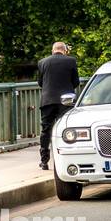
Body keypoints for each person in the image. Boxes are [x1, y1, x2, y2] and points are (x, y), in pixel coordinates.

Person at [37, 40, 80, 170]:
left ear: (53, 50)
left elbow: (40, 83)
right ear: (64, 50)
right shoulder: (71, 61)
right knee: (67, 129)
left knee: (46, 130)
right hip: (65, 101)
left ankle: (44, 161)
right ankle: (68, 158)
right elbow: (76, 82)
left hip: (47, 101)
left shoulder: (42, 62)